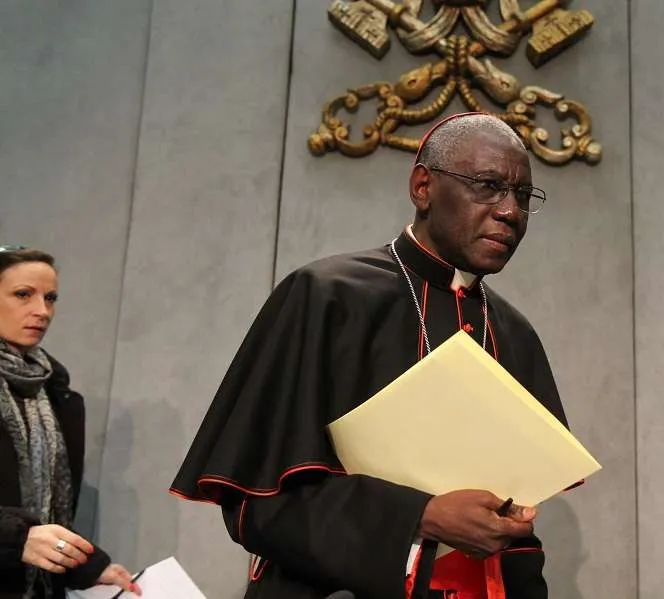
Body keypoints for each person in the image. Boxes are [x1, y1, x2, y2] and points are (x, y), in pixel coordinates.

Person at [170, 113, 578, 599]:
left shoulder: (516, 336)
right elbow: (255, 506)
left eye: (523, 196)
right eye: (488, 186)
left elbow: (517, 528)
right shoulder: (326, 297)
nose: (510, 211)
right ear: (423, 187)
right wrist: (422, 516)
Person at [0, 246, 141, 599]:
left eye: (50, 298)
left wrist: (89, 568)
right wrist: (14, 538)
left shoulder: (57, 396)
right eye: (22, 295)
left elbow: (49, 514)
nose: (42, 311)